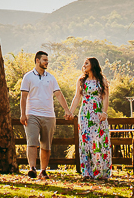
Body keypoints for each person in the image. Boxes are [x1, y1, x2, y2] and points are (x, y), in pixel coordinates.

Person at [20, 50, 72, 180]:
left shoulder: (51, 77)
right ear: (37, 60)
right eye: (44, 60)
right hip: (32, 114)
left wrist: (67, 110)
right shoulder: (28, 77)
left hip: (49, 115)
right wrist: (23, 114)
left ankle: (43, 170)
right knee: (32, 141)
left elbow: (58, 94)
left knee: (46, 145)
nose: (47, 62)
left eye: (47, 60)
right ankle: (32, 168)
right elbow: (24, 97)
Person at [69, 57, 112, 180]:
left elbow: (105, 98)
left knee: (98, 141)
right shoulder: (82, 81)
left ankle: (101, 171)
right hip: (85, 114)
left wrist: (104, 112)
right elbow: (77, 97)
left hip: (98, 114)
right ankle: (87, 172)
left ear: (93, 65)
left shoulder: (102, 80)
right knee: (86, 142)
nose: (84, 65)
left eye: (86, 63)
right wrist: (71, 112)